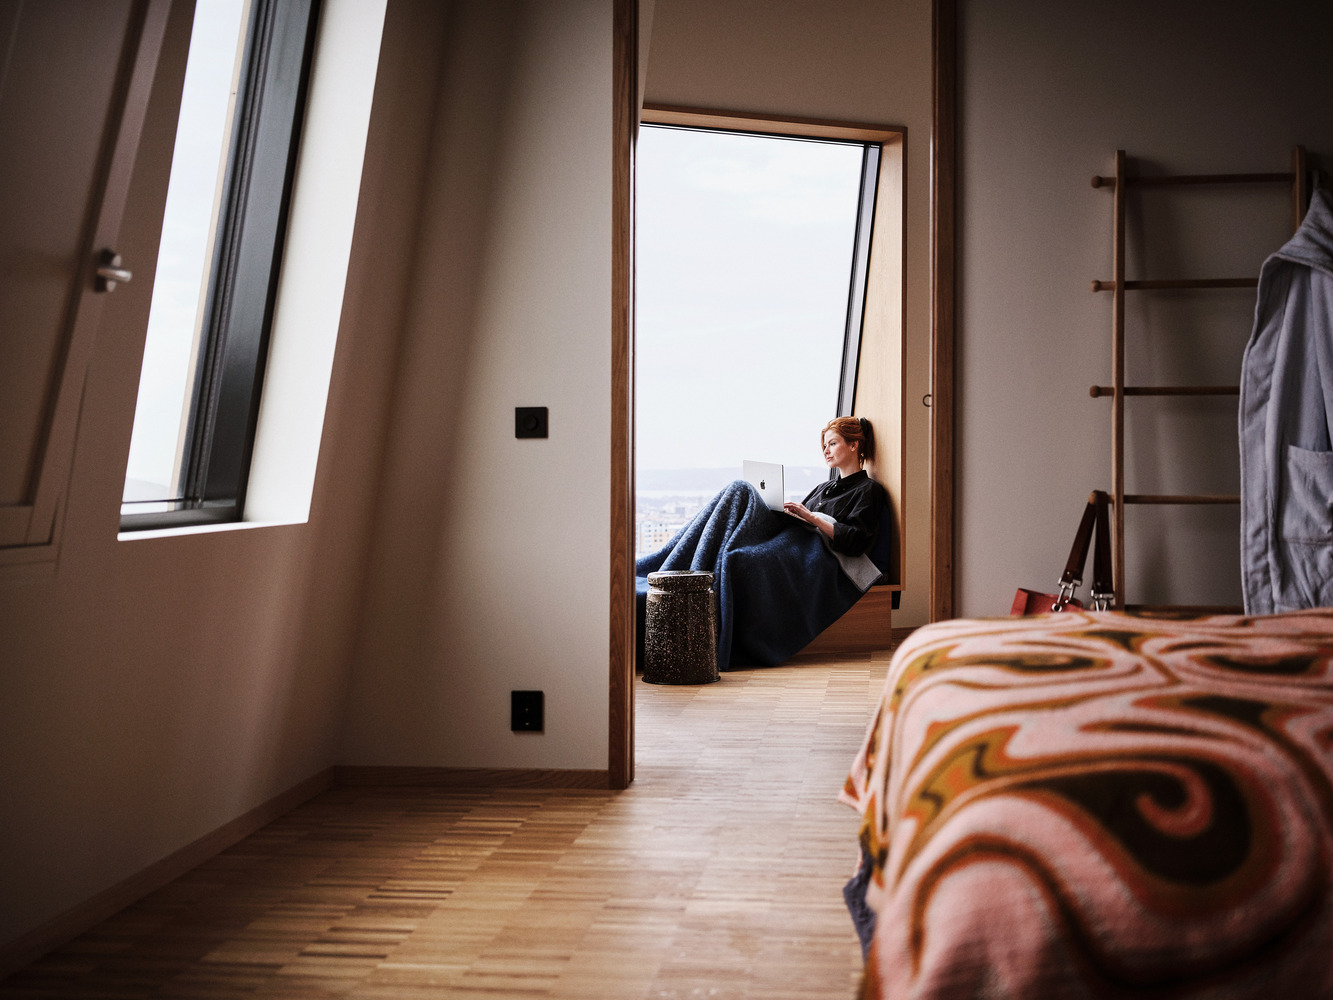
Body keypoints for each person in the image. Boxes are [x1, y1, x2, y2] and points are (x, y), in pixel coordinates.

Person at [636, 416, 891, 671]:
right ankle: (677, 568)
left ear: (855, 445)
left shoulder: (868, 490)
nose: (825, 451)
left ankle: (688, 578)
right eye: (824, 445)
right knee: (738, 491)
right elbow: (802, 523)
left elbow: (856, 541)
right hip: (793, 540)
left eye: (832, 443)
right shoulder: (823, 487)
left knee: (740, 556)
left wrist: (812, 517)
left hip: (816, 554)